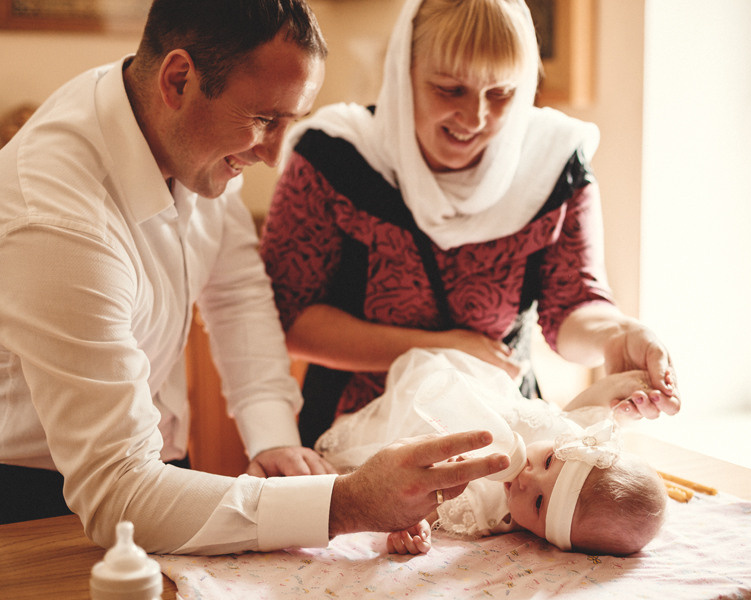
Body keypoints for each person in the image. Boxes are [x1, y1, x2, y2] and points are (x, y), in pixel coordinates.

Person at [0, 0, 510, 555]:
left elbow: (238, 293)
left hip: (159, 470)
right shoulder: (59, 221)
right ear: (178, 80)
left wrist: (273, 440)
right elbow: (117, 490)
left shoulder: (179, 128)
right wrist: (348, 503)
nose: (273, 154)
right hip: (37, 503)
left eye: (290, 121)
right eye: (266, 120)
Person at [260, 0, 681, 450]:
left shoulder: (553, 163)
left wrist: (617, 335)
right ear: (404, 72)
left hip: (507, 440)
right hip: (351, 439)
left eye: (501, 94)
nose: (475, 117)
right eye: (450, 89)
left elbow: (574, 302)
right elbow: (289, 317)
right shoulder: (336, 157)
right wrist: (441, 347)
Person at [315, 348, 669, 556]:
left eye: (539, 503)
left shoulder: (490, 513)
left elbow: (418, 499)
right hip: (451, 401)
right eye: (548, 461)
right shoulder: (564, 436)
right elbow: (583, 411)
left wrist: (409, 525)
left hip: (409, 448)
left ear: (549, 538)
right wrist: (622, 387)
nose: (527, 477)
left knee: (358, 458)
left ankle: (349, 441)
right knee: (418, 387)